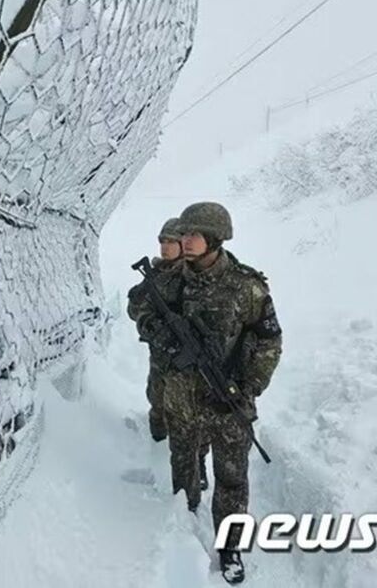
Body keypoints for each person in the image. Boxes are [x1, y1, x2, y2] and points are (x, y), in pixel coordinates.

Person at [164, 202, 282, 585]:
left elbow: (269, 343)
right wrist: (158, 333)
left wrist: (248, 389)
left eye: (192, 234)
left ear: (215, 238)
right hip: (182, 398)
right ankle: (182, 523)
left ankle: (230, 547)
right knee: (184, 466)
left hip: (229, 402)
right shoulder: (170, 280)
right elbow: (140, 309)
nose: (185, 240)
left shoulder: (247, 287)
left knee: (232, 479)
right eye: (182, 234)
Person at [127, 218, 211, 486]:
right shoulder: (155, 276)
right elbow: (135, 310)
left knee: (194, 415)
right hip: (161, 356)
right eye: (161, 241)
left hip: (190, 361)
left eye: (170, 242)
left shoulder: (194, 275)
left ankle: (197, 464)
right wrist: (150, 323)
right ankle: (157, 447)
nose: (164, 247)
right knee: (157, 399)